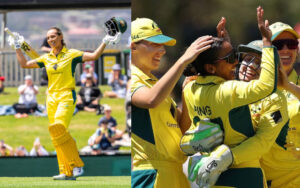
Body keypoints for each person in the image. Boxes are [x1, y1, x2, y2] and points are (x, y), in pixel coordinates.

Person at [183, 7, 282, 188]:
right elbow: (260, 86)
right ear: (211, 68)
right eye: (243, 58)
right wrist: (267, 43)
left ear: (270, 66)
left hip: (214, 174)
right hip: (238, 175)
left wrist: (225, 157)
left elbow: (262, 142)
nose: (243, 64)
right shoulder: (229, 89)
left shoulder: (191, 87)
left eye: (260, 61)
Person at [9, 25, 122, 180]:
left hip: (67, 96)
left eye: (53, 36)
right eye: (48, 38)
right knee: (56, 134)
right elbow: (24, 65)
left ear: (61, 37)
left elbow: (94, 56)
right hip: (51, 98)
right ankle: (66, 171)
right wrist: (17, 47)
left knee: (58, 128)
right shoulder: (46, 58)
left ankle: (77, 164)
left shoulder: (72, 54)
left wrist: (106, 40)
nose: (50, 40)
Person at [130, 17, 214, 188]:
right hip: (151, 173)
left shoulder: (153, 82)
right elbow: (150, 100)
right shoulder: (131, 77)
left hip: (174, 172)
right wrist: (183, 60)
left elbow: (182, 129)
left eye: (162, 45)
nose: (162, 50)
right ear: (132, 46)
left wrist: (185, 93)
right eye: (154, 44)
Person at [257, 22, 300, 188]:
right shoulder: (252, 85)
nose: (285, 50)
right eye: (277, 45)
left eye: (291, 44)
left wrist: (290, 87)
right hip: (263, 179)